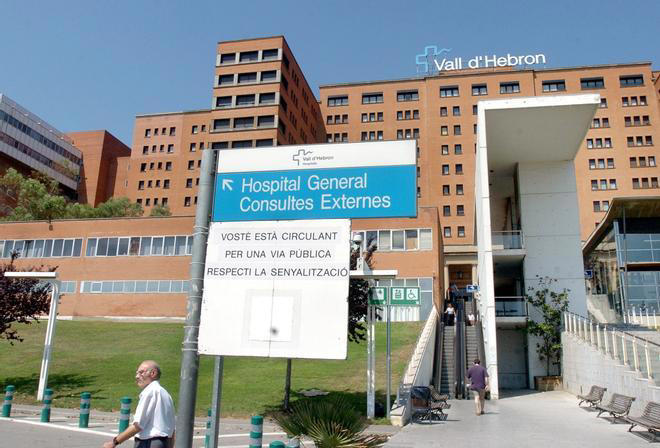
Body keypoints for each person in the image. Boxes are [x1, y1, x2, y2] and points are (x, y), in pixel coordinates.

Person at [103, 360, 175, 448]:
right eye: (137, 373)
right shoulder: (165, 394)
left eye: (141, 372)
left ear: (153, 373)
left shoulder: (150, 392)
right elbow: (172, 429)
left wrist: (114, 442)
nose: (137, 376)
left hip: (148, 443)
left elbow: (138, 425)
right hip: (164, 442)